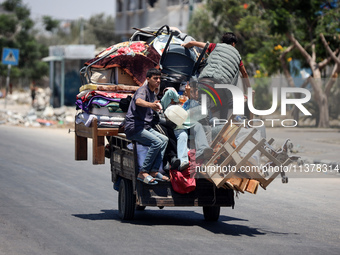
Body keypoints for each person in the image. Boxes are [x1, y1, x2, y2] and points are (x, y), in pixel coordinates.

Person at [182, 32, 251, 119]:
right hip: (222, 85)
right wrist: (249, 88)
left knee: (203, 107)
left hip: (205, 81)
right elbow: (244, 73)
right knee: (224, 104)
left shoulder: (215, 46)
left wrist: (184, 45)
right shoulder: (237, 56)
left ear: (222, 41)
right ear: (233, 44)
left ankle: (204, 126)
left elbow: (192, 43)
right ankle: (221, 126)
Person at [124, 68, 169, 185]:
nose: (158, 81)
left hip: (145, 127)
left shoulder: (152, 93)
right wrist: (151, 105)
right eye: (155, 78)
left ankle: (154, 171)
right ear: (148, 79)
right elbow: (138, 101)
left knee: (164, 140)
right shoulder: (142, 90)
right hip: (134, 127)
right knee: (157, 142)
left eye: (159, 78)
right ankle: (143, 172)